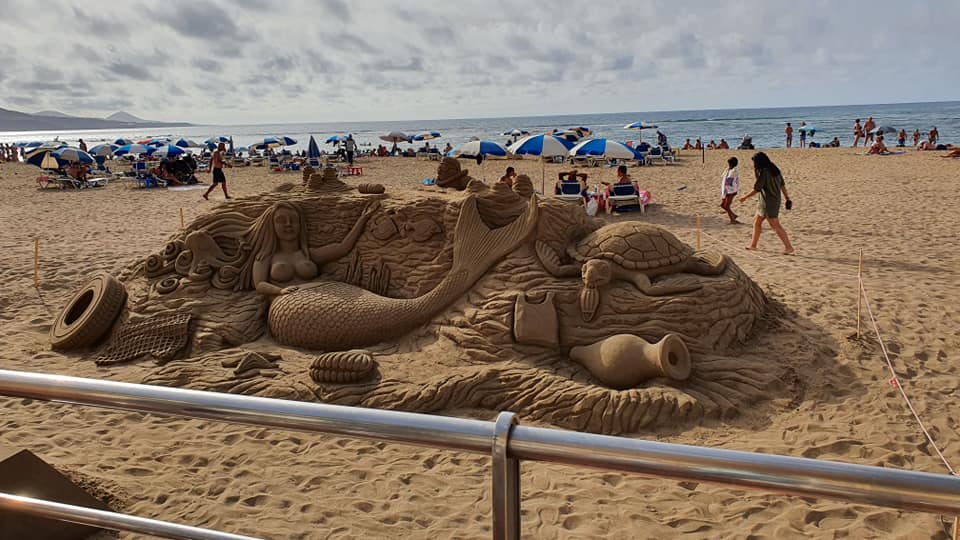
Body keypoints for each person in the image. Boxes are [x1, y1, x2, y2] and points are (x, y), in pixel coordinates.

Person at [739, 152, 794, 255]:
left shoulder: (764, 172)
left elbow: (757, 188)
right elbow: (782, 185)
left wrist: (744, 197)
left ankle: (789, 247)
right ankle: (753, 245)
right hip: (770, 200)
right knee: (757, 222)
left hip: (768, 202)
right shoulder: (775, 169)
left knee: (775, 225)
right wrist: (787, 197)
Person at [719, 157, 740, 224]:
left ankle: (732, 219)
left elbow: (729, 182)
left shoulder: (734, 171)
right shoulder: (728, 169)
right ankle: (733, 215)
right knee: (722, 205)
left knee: (727, 206)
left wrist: (727, 192)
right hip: (726, 190)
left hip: (731, 191)